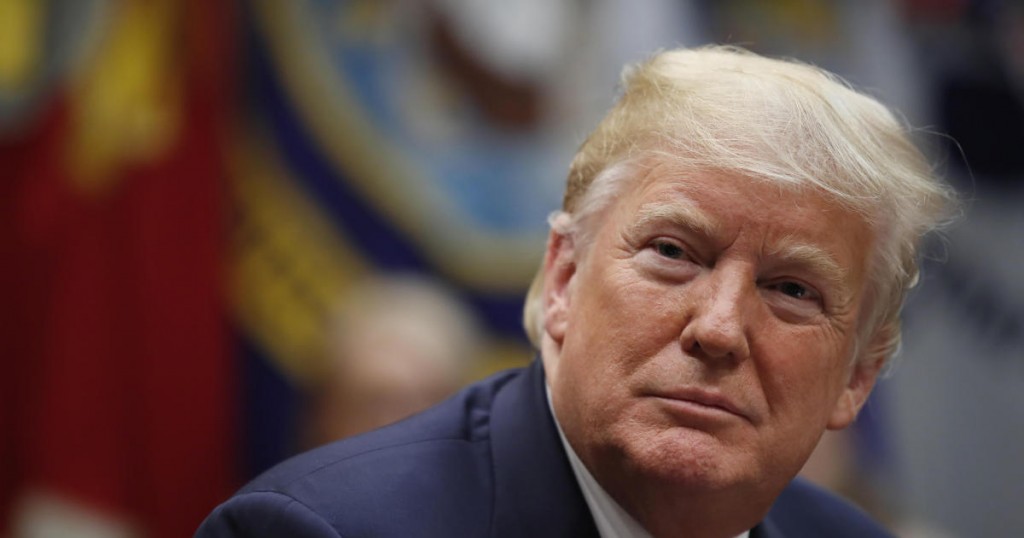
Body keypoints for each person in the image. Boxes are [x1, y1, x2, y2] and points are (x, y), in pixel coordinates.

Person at [196, 45, 956, 538]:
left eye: (791, 289)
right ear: (561, 276)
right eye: (671, 253)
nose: (719, 328)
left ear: (857, 373)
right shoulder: (321, 531)